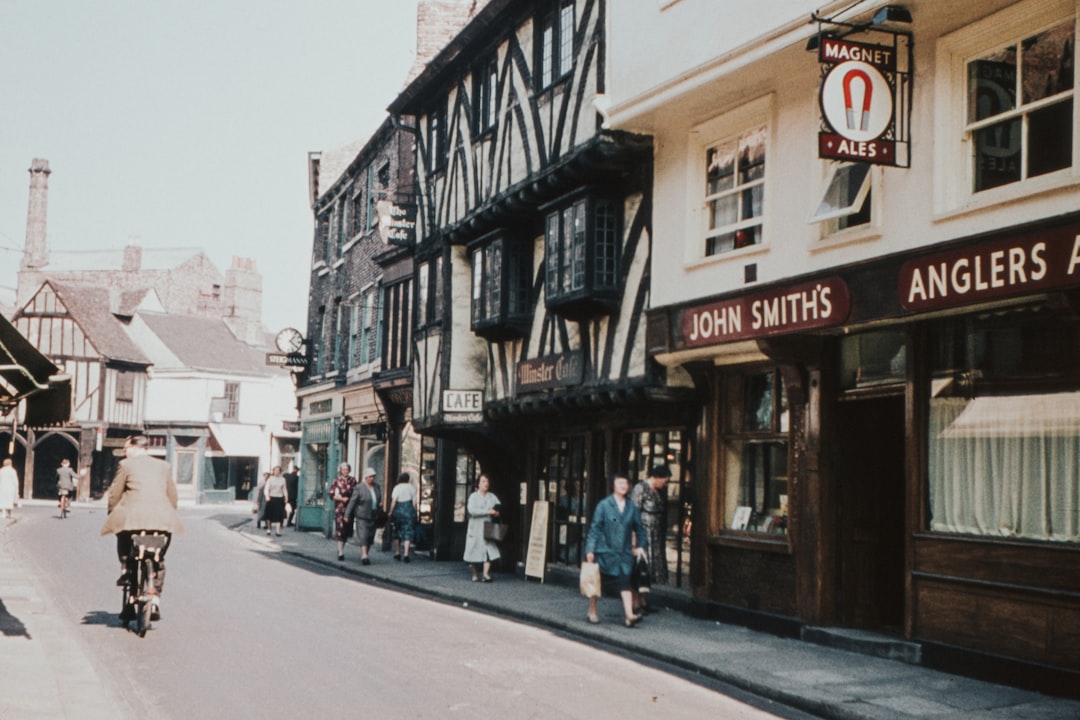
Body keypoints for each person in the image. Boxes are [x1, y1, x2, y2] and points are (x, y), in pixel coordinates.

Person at [100, 435, 185, 620]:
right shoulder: (164, 466)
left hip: (133, 520)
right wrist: (169, 513)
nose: (125, 452)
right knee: (159, 557)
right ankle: (154, 600)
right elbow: (172, 495)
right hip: (162, 520)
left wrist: (112, 513)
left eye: (126, 448)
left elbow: (115, 494)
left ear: (134, 447)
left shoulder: (126, 465)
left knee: (124, 543)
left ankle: (126, 573)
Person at [584, 474, 648, 628]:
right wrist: (590, 549)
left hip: (623, 553)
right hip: (604, 551)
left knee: (625, 583)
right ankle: (592, 610)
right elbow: (595, 529)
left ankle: (629, 615)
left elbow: (640, 529)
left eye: (625, 483)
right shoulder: (604, 505)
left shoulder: (631, 507)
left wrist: (640, 545)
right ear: (613, 486)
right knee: (596, 582)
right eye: (620, 483)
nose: (623, 486)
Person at [630, 465, 671, 614]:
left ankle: (643, 600)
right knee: (639, 568)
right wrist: (634, 538)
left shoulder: (656, 492)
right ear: (656, 477)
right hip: (642, 534)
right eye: (664, 481)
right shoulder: (640, 488)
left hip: (654, 537)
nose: (665, 485)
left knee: (648, 570)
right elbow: (633, 513)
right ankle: (635, 602)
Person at [463, 474, 501, 582]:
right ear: (478, 484)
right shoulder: (473, 497)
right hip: (475, 527)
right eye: (483, 481)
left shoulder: (492, 497)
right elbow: (471, 510)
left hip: (488, 527)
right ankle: (475, 573)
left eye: (487, 481)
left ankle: (486, 574)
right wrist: (487, 511)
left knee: (488, 550)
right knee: (473, 550)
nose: (486, 483)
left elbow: (499, 508)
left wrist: (496, 513)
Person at [344, 466, 382, 565]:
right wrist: (347, 515)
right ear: (365, 477)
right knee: (364, 535)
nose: (372, 478)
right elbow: (352, 502)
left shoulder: (377, 487)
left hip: (373, 514)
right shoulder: (359, 488)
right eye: (370, 477)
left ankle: (366, 554)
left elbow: (379, 498)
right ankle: (364, 555)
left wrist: (379, 504)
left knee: (370, 536)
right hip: (362, 515)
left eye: (373, 476)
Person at [329, 462, 357, 562]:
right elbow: (332, 495)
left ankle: (341, 548)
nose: (345, 471)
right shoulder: (336, 481)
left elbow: (356, 493)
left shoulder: (353, 480)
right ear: (340, 470)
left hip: (350, 508)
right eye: (343, 469)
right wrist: (341, 499)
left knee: (347, 530)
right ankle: (341, 552)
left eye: (347, 469)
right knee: (340, 529)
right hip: (340, 508)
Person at [388, 472, 417, 563]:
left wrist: (391, 512)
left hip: (399, 510)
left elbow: (394, 501)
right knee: (408, 531)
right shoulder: (412, 488)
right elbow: (414, 503)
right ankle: (406, 554)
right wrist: (414, 512)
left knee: (397, 531)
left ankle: (397, 552)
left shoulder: (397, 487)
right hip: (409, 510)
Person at [263, 465, 289, 537]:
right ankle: (269, 528)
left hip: (279, 499)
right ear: (273, 471)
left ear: (280, 471)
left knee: (279, 515)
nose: (277, 472)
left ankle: (278, 531)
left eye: (278, 470)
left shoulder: (283, 479)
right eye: (275, 470)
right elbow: (266, 488)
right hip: (271, 498)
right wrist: (267, 496)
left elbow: (284, 489)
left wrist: (286, 497)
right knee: (269, 515)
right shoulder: (270, 479)